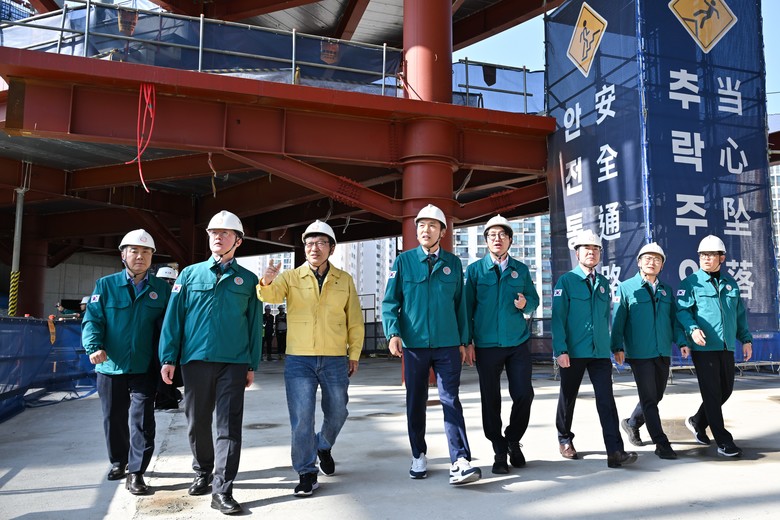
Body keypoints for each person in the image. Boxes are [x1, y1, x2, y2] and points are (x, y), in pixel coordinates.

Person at [159, 210, 261, 515]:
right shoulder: (189, 275)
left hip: (234, 361)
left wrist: (251, 364)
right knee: (197, 421)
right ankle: (203, 470)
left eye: (225, 233)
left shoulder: (248, 280)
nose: (218, 236)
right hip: (196, 359)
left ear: (238, 241)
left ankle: (222, 489)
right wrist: (168, 357)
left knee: (229, 425)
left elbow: (254, 325)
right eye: (214, 232)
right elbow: (174, 318)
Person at [257, 220, 364, 497]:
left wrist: (353, 353)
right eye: (309, 243)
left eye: (320, 243)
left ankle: (323, 445)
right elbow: (270, 295)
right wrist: (267, 280)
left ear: (331, 248)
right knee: (302, 418)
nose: (314, 248)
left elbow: (354, 319)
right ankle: (306, 472)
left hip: (334, 358)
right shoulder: (290, 277)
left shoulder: (344, 280)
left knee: (338, 411)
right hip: (299, 359)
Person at [382, 204, 481, 485]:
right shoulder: (403, 262)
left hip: (448, 344)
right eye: (422, 225)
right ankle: (418, 454)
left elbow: (461, 306)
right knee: (416, 401)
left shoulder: (453, 263)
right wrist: (393, 333)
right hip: (414, 345)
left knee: (451, 400)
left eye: (432, 225)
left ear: (442, 232)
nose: (426, 230)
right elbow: (390, 301)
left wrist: (464, 341)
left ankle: (460, 460)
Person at [81, 229, 171, 495]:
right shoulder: (105, 285)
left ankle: (136, 472)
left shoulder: (162, 290)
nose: (140, 256)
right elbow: (93, 319)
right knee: (113, 417)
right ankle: (119, 461)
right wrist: (94, 347)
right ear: (123, 255)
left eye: (146, 252)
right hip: (110, 365)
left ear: (152, 257)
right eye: (134, 251)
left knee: (142, 420)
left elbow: (170, 327)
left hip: (144, 366)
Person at [552, 229, 637, 468]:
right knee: (568, 397)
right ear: (577, 253)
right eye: (586, 249)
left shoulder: (602, 282)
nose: (591, 252)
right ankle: (564, 438)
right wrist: (561, 350)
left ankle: (615, 450)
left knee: (606, 400)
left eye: (595, 249)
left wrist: (615, 346)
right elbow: (558, 318)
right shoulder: (566, 281)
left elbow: (606, 319)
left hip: (599, 352)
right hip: (573, 352)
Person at [464, 215, 539, 474]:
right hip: (486, 345)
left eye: (502, 235)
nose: (497, 239)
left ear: (510, 240)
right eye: (492, 235)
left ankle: (512, 439)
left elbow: (534, 300)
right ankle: (498, 449)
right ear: (486, 241)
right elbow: (467, 308)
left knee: (524, 394)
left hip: (517, 342)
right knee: (490, 399)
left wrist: (525, 304)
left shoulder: (521, 269)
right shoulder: (475, 270)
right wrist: (467, 342)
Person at [676, 235, 752, 457]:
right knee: (711, 393)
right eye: (703, 255)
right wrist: (692, 329)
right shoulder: (691, 283)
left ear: (722, 258)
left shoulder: (730, 284)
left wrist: (746, 339)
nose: (706, 258)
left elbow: (739, 315)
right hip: (704, 347)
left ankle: (698, 421)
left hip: (726, 346)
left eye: (711, 255)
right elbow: (682, 311)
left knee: (725, 391)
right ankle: (723, 441)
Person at [611, 242, 680, 460]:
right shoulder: (626, 287)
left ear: (662, 265)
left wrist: (682, 341)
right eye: (647, 258)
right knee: (649, 398)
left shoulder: (666, 290)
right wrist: (617, 346)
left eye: (657, 259)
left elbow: (673, 320)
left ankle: (632, 423)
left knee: (656, 395)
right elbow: (618, 319)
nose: (652, 262)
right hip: (639, 352)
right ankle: (661, 442)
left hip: (662, 351)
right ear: (639, 262)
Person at [152, 268, 183, 410]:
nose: (168, 284)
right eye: (165, 281)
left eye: (170, 281)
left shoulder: (176, 296)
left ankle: (167, 398)